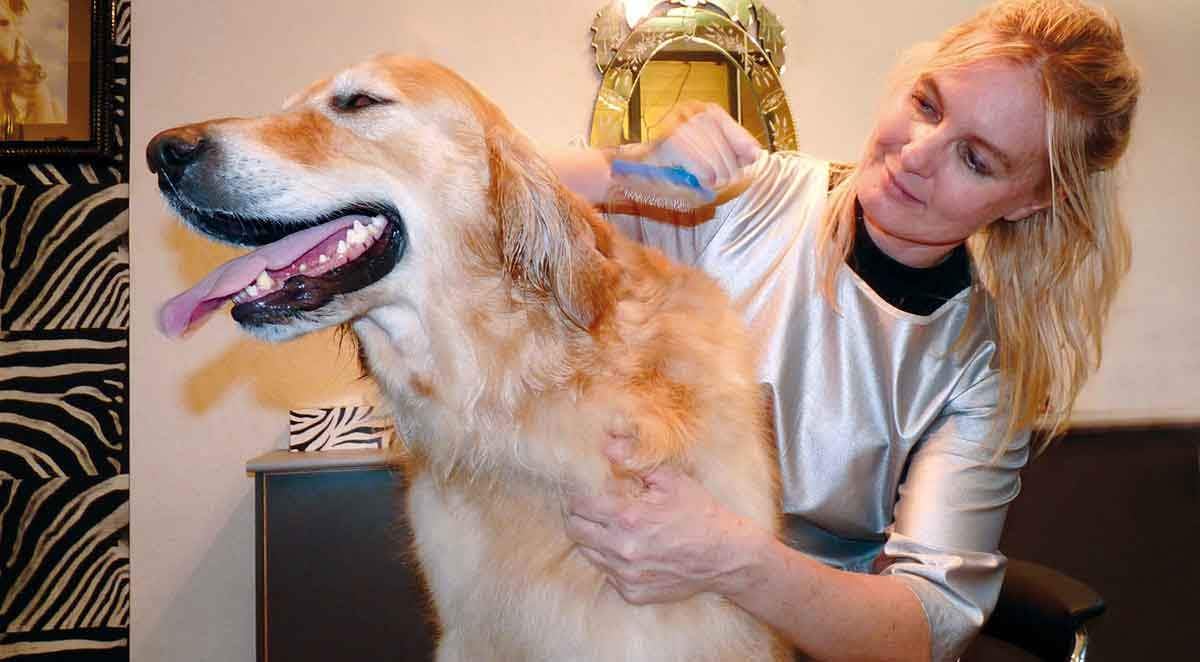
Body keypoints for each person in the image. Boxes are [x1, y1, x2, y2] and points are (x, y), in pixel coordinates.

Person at [548, 1, 1140, 660]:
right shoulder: (745, 201)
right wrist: (629, 172)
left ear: (1031, 200)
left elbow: (926, 625)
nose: (917, 155)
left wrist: (735, 561)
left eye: (975, 159)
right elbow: (495, 208)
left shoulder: (979, 370)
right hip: (614, 618)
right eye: (927, 106)